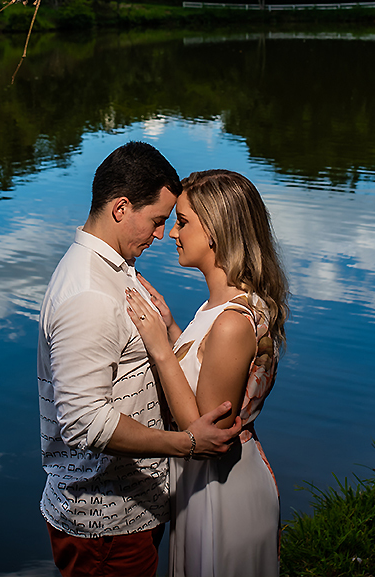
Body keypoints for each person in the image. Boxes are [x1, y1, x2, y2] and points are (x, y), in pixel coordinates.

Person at [38, 142, 242, 577]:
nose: (159, 235)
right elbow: (84, 421)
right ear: (121, 208)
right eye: (156, 221)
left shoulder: (115, 269)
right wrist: (188, 444)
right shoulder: (88, 293)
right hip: (104, 523)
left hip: (132, 511)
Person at [125, 169, 288, 577]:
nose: (172, 234)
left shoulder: (232, 322)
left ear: (214, 231)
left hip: (222, 488)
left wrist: (160, 349)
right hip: (209, 482)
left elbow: (203, 430)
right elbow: (207, 366)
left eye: (182, 222)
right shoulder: (228, 302)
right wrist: (173, 328)